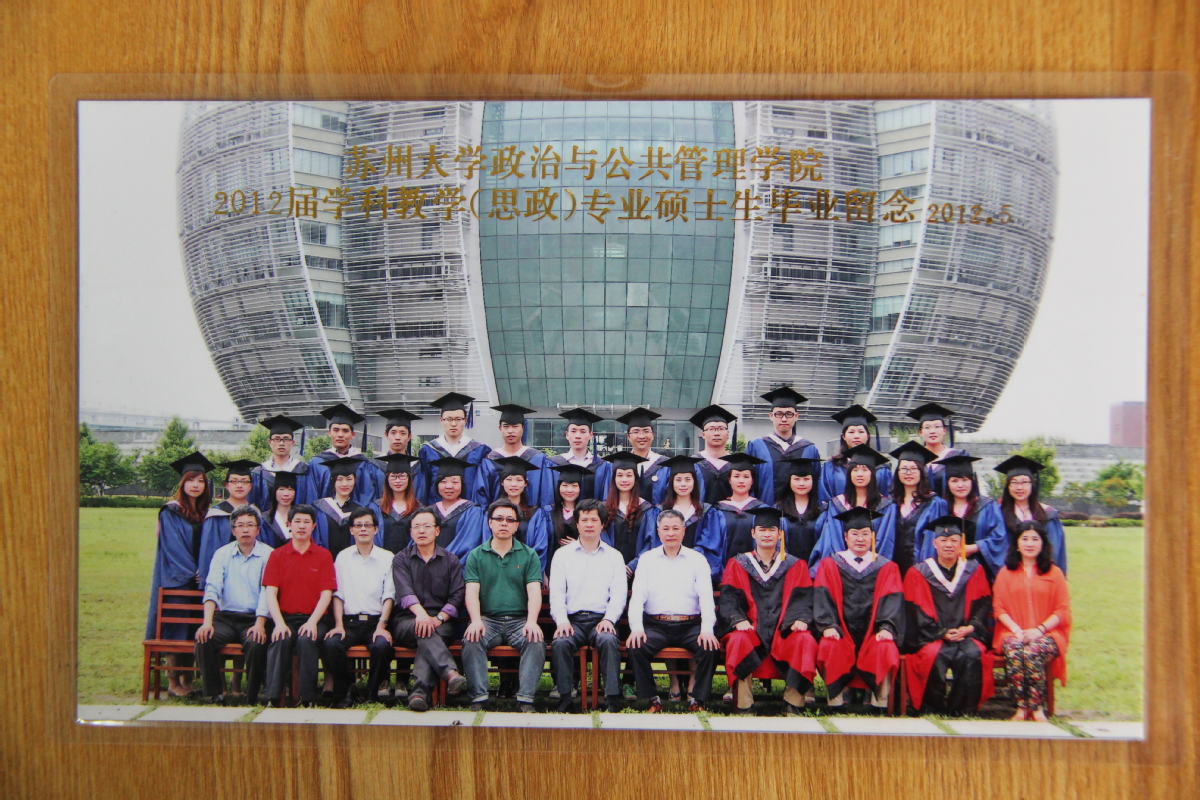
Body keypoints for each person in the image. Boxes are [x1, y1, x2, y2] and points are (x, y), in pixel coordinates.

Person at [717, 506, 818, 715]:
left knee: (804, 639)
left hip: (784, 629)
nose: (767, 534)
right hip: (751, 629)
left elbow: (803, 598)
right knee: (738, 639)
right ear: (753, 533)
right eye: (762, 530)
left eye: (772, 530)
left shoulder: (795, 565)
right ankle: (744, 704)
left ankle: (793, 702)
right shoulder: (738, 564)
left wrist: (800, 619)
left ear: (780, 534)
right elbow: (729, 598)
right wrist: (737, 619)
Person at [626, 509, 720, 713]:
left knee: (709, 646)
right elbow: (638, 597)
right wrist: (636, 628)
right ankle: (652, 699)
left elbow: (706, 597)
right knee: (636, 645)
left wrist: (707, 629)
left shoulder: (697, 559)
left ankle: (697, 699)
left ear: (683, 531)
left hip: (690, 625)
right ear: (658, 531)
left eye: (675, 528)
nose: (671, 533)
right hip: (657, 625)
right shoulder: (647, 559)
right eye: (666, 529)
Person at [812, 507, 903, 711]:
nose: (860, 539)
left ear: (873, 537)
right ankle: (836, 699)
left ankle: (879, 700)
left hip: (873, 632)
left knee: (885, 646)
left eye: (865, 534)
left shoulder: (887, 567)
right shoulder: (830, 564)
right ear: (846, 536)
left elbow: (892, 600)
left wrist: (886, 627)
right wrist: (828, 625)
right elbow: (822, 596)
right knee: (830, 644)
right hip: (841, 630)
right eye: (855, 533)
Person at [903, 516, 994, 715]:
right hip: (932, 635)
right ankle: (932, 708)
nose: (949, 544)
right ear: (934, 543)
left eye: (954, 540)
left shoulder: (974, 570)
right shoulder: (919, 572)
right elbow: (914, 611)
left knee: (973, 654)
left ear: (961, 543)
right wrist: (941, 633)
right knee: (931, 656)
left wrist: (969, 628)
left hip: (966, 634)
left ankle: (963, 709)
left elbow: (983, 604)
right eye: (943, 540)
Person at [462, 499, 547, 712]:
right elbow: (471, 591)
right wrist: (475, 621)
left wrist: (532, 622)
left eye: (510, 520)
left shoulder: (528, 554)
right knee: (471, 639)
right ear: (490, 522)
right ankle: (479, 698)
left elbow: (534, 591)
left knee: (535, 641)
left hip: (519, 621)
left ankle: (525, 700)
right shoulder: (476, 555)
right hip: (488, 620)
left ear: (517, 525)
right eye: (498, 519)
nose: (504, 523)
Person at [145, 451, 214, 697]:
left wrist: (205, 572)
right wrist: (192, 571)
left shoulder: (207, 513)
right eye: (190, 480)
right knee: (176, 629)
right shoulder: (170, 512)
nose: (195, 485)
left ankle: (188, 678)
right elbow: (173, 547)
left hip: (200, 581)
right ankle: (173, 680)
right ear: (182, 483)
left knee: (194, 628)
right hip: (177, 581)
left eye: (200, 481)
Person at [549, 498, 628, 713]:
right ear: (577, 523)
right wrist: (562, 621)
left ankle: (612, 699)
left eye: (594, 520)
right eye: (584, 520)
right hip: (572, 621)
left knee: (608, 640)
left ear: (602, 524)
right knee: (561, 642)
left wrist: (609, 619)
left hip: (601, 619)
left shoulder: (614, 557)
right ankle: (565, 697)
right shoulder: (562, 555)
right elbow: (557, 594)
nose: (589, 524)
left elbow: (619, 594)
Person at [389, 507, 468, 712]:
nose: (421, 530)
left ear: (437, 530)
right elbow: (404, 591)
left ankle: (419, 694)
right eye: (416, 526)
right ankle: (450, 672)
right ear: (411, 532)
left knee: (428, 632)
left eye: (426, 526)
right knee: (423, 628)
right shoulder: (401, 559)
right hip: (407, 620)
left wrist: (439, 618)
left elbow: (457, 595)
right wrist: (422, 616)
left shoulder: (450, 560)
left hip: (441, 622)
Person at [992, 521, 1071, 721]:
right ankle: (1021, 708)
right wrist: (1017, 631)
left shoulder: (1054, 573)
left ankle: (1036, 709)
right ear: (1017, 544)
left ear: (1042, 544)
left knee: (1032, 651)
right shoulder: (1005, 573)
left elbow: (1062, 610)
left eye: (1035, 539)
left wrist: (1039, 630)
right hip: (1012, 631)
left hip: (1048, 633)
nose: (1030, 543)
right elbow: (999, 608)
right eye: (1025, 539)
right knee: (1015, 649)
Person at [194, 506, 272, 705]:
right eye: (240, 525)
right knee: (204, 639)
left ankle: (252, 696)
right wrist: (207, 623)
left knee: (256, 642)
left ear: (258, 529)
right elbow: (212, 588)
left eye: (250, 525)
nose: (245, 530)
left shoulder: (268, 554)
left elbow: (267, 592)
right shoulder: (222, 554)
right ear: (233, 530)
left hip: (254, 618)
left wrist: (260, 624)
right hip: (226, 618)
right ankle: (214, 694)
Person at [262, 504, 338, 707]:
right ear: (289, 525)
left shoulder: (323, 555)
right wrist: (279, 623)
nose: (302, 526)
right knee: (280, 639)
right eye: (297, 521)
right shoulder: (277, 555)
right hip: (285, 618)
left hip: (315, 619)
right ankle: (273, 698)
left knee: (307, 640)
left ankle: (307, 699)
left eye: (306, 522)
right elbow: (270, 593)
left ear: (314, 526)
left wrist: (312, 622)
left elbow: (327, 594)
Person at [321, 508, 396, 707]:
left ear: (376, 529)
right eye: (358, 525)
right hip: (349, 622)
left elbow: (389, 595)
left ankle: (372, 692)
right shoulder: (343, 557)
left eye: (367, 525)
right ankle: (346, 690)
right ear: (351, 530)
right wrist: (339, 625)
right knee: (331, 645)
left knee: (382, 646)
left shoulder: (387, 557)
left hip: (375, 622)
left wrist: (382, 626)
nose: (363, 529)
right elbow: (338, 595)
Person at [809, 445, 897, 573]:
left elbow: (886, 542)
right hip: (842, 572)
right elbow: (834, 540)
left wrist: (873, 569)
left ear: (872, 474)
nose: (860, 474)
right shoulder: (837, 505)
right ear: (849, 474)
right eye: (855, 470)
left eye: (865, 469)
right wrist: (845, 568)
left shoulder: (886, 506)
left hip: (876, 572)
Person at [925, 454, 1008, 579]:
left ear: (972, 481)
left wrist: (975, 547)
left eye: (965, 480)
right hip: (946, 574)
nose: (960, 485)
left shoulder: (988, 507)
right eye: (954, 481)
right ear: (947, 483)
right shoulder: (940, 507)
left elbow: (999, 537)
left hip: (980, 572)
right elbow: (930, 541)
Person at [698, 452, 770, 579]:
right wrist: (720, 576)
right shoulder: (717, 511)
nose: (741, 480)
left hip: (757, 579)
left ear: (752, 480)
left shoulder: (762, 509)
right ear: (729, 480)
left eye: (746, 476)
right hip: (725, 578)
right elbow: (711, 546)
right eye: (736, 476)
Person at [994, 455, 1068, 574]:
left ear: (1032, 485)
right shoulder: (998, 514)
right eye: (1014, 482)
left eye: (1024, 482)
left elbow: (1055, 553)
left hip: (1041, 574)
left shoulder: (1048, 514)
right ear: (1008, 486)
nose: (1019, 487)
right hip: (1010, 574)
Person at [197, 460, 264, 586]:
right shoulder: (216, 514)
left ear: (251, 486)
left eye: (244, 481)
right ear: (226, 485)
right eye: (234, 481)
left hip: (252, 579)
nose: (239, 485)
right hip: (224, 578)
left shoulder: (256, 513)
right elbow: (209, 551)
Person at [418, 392, 492, 505]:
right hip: (436, 511)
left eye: (458, 419)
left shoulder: (479, 451)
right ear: (441, 420)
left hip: (469, 511)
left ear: (465, 420)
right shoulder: (428, 450)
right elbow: (423, 487)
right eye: (449, 419)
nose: (453, 424)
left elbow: (482, 488)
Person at [472, 404, 553, 508]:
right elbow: (481, 498)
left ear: (523, 428)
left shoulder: (537, 459)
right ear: (500, 428)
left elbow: (546, 495)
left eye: (515, 426)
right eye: (506, 426)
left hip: (532, 516)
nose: (510, 431)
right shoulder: (489, 461)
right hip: (496, 516)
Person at [888, 441, 948, 578]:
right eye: (904, 469)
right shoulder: (890, 504)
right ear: (897, 472)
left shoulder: (934, 504)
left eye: (913, 469)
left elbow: (935, 542)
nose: (908, 473)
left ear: (922, 472)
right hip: (893, 570)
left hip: (921, 571)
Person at [819, 405, 893, 503]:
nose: (856, 436)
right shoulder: (831, 467)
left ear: (867, 436)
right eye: (851, 432)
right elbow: (824, 498)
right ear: (844, 436)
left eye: (861, 431)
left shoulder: (881, 468)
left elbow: (888, 500)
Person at [312, 456, 383, 557]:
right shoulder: (321, 508)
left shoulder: (361, 510)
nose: (344, 484)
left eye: (349, 479)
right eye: (340, 479)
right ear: (333, 481)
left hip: (353, 562)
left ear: (355, 480)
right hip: (325, 561)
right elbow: (316, 539)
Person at [310, 403, 379, 506]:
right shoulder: (317, 463)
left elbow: (368, 494)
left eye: (345, 431)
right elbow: (311, 495)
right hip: (324, 514)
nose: (340, 435)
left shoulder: (363, 463)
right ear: (329, 433)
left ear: (353, 434)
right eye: (336, 430)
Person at [426, 456, 489, 563]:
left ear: (462, 485)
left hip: (458, 567)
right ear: (437, 484)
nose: (449, 486)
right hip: (428, 567)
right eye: (443, 482)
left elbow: (470, 543)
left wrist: (443, 562)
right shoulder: (428, 511)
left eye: (455, 482)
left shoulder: (473, 511)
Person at [601, 451, 656, 570]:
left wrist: (633, 566)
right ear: (614, 478)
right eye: (620, 475)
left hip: (640, 570)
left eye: (629, 475)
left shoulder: (647, 509)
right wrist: (616, 565)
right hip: (609, 569)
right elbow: (600, 540)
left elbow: (651, 542)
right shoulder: (603, 508)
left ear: (635, 478)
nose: (624, 479)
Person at [250, 414, 320, 509]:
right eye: (277, 439)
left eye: (286, 439)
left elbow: (310, 500)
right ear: (270, 442)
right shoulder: (259, 472)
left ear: (292, 443)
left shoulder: (304, 470)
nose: (281, 443)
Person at [546, 407, 612, 500]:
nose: (578, 436)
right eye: (573, 431)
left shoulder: (603, 466)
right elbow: (548, 496)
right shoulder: (554, 463)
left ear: (591, 435)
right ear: (567, 435)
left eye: (583, 431)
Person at [906, 403, 970, 496]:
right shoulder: (912, 458)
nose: (932, 431)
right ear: (920, 432)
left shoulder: (958, 457)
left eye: (937, 426)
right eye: (927, 427)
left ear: (944, 431)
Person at [368, 407, 427, 507]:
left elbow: (422, 495)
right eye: (393, 432)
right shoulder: (374, 465)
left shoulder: (417, 467)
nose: (398, 437)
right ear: (386, 435)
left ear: (409, 437)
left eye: (403, 433)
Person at [773, 455, 825, 564]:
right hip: (786, 569)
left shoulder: (822, 510)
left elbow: (825, 544)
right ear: (789, 480)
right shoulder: (778, 509)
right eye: (796, 479)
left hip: (815, 569)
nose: (801, 483)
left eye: (806, 479)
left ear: (813, 480)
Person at [616, 407, 669, 503]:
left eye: (646, 431)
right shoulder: (619, 464)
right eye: (636, 431)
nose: (641, 436)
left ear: (653, 435)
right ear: (628, 437)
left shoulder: (665, 465)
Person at [690, 404, 739, 506]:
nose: (716, 433)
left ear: (728, 434)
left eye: (721, 428)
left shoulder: (736, 463)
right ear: (703, 435)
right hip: (700, 514)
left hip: (730, 514)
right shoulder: (693, 463)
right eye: (711, 429)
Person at [371, 453, 420, 552]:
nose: (398, 481)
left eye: (402, 476)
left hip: (409, 558)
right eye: (393, 476)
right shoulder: (376, 507)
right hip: (382, 558)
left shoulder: (418, 508)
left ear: (409, 479)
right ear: (387, 479)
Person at [259, 470, 301, 548]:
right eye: (281, 489)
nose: (286, 494)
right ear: (275, 491)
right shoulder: (264, 519)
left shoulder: (301, 517)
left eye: (290, 489)